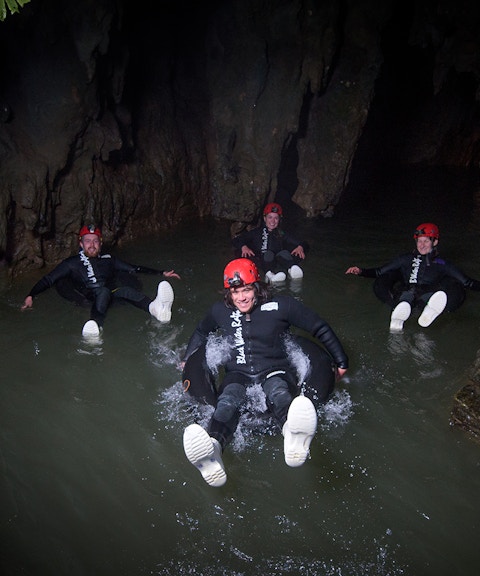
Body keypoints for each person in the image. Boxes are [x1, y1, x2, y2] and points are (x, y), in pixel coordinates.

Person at [182, 258, 348, 487]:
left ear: (257, 288)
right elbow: (201, 332)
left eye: (247, 290)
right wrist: (187, 359)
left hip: (274, 368)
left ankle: (292, 435)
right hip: (237, 373)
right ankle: (214, 449)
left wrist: (341, 361)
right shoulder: (219, 311)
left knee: (279, 392)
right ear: (229, 293)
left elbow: (319, 327)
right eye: (235, 291)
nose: (241, 297)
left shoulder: (282, 306)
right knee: (227, 402)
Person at [21, 224, 181, 337]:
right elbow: (49, 279)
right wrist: (31, 295)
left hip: (108, 297)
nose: (92, 245)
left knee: (124, 291)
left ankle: (156, 309)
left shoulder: (109, 259)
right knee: (103, 291)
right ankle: (95, 327)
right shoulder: (71, 263)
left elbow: (133, 268)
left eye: (95, 241)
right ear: (81, 243)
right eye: (88, 241)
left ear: (100, 243)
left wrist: (161, 273)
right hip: (88, 299)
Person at [345, 222, 480, 332]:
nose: (422, 245)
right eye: (419, 241)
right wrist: (361, 271)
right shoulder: (405, 259)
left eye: (426, 241)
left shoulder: (443, 264)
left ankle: (428, 312)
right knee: (406, 297)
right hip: (406, 292)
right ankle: (399, 314)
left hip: (427, 295)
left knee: (435, 296)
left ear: (435, 242)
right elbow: (380, 272)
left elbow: (467, 282)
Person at [231, 202, 307, 283]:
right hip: (261, 260)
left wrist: (300, 247)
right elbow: (236, 240)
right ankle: (270, 275)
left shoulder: (282, 233)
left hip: (276, 261)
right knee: (267, 254)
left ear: (279, 220)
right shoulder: (256, 232)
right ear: (265, 218)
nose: (273, 221)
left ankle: (292, 268)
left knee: (284, 253)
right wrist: (244, 247)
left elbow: (302, 242)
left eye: (276, 218)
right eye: (270, 217)